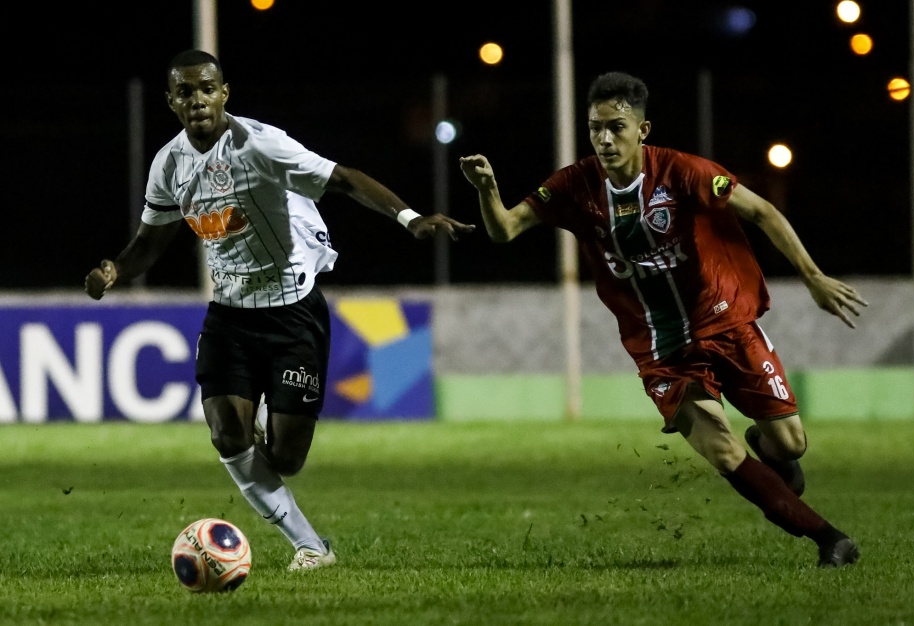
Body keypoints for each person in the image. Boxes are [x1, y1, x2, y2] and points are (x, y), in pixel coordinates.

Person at [85, 49, 475, 571]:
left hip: (293, 312)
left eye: (207, 88)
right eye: (186, 92)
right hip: (228, 316)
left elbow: (344, 178)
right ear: (171, 101)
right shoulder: (169, 164)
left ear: (225, 92)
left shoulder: (260, 145)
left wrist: (409, 218)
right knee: (227, 433)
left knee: (286, 458)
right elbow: (150, 242)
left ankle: (277, 434)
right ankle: (311, 547)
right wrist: (114, 269)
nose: (198, 99)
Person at [459, 71, 867, 568]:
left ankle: (771, 447)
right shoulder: (573, 185)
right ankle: (830, 539)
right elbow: (505, 230)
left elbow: (762, 212)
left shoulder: (682, 172)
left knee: (790, 443)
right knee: (720, 449)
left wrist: (813, 277)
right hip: (660, 348)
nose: (605, 139)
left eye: (617, 127)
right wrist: (487, 189)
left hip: (725, 323)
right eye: (595, 129)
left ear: (642, 129)